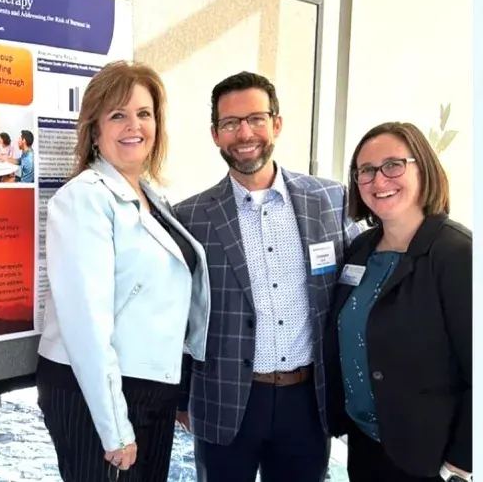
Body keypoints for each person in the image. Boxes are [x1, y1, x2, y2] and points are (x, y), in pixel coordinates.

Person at [174, 71, 361, 482]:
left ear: (276, 124)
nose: (245, 133)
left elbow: (357, 288)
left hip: (307, 402)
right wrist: (182, 398)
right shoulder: (189, 217)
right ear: (215, 134)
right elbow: (179, 316)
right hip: (224, 399)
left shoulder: (330, 200)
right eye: (230, 123)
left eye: (256, 118)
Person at [35, 60, 211, 482]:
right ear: (95, 130)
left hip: (148, 385)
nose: (134, 126)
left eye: (143, 114)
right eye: (118, 115)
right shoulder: (83, 200)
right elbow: (86, 326)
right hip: (95, 391)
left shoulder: (152, 197)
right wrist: (114, 430)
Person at [324, 122, 472, 482]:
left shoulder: (457, 253)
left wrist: (459, 464)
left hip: (428, 458)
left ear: (423, 167)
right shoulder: (361, 248)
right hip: (367, 445)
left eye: (393, 165)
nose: (379, 180)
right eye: (366, 171)